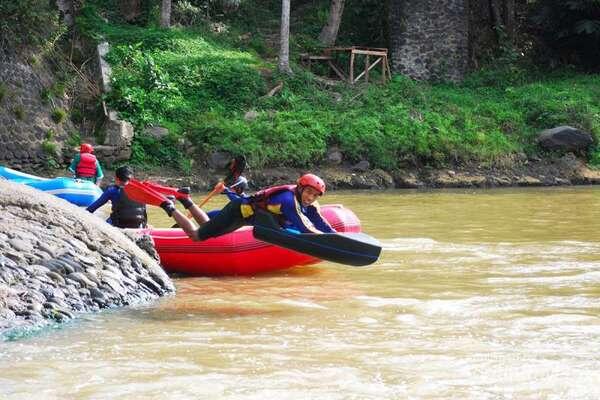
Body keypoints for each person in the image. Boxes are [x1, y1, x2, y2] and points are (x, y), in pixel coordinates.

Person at [161, 173, 335, 241]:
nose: (310, 198)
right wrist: (330, 240)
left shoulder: (309, 203)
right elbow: (305, 227)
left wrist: (337, 235)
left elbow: (319, 222)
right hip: (237, 212)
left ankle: (184, 199)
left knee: (206, 226)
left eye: (314, 195)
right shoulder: (289, 200)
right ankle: (169, 206)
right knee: (197, 236)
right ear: (300, 188)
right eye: (308, 192)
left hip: (243, 217)